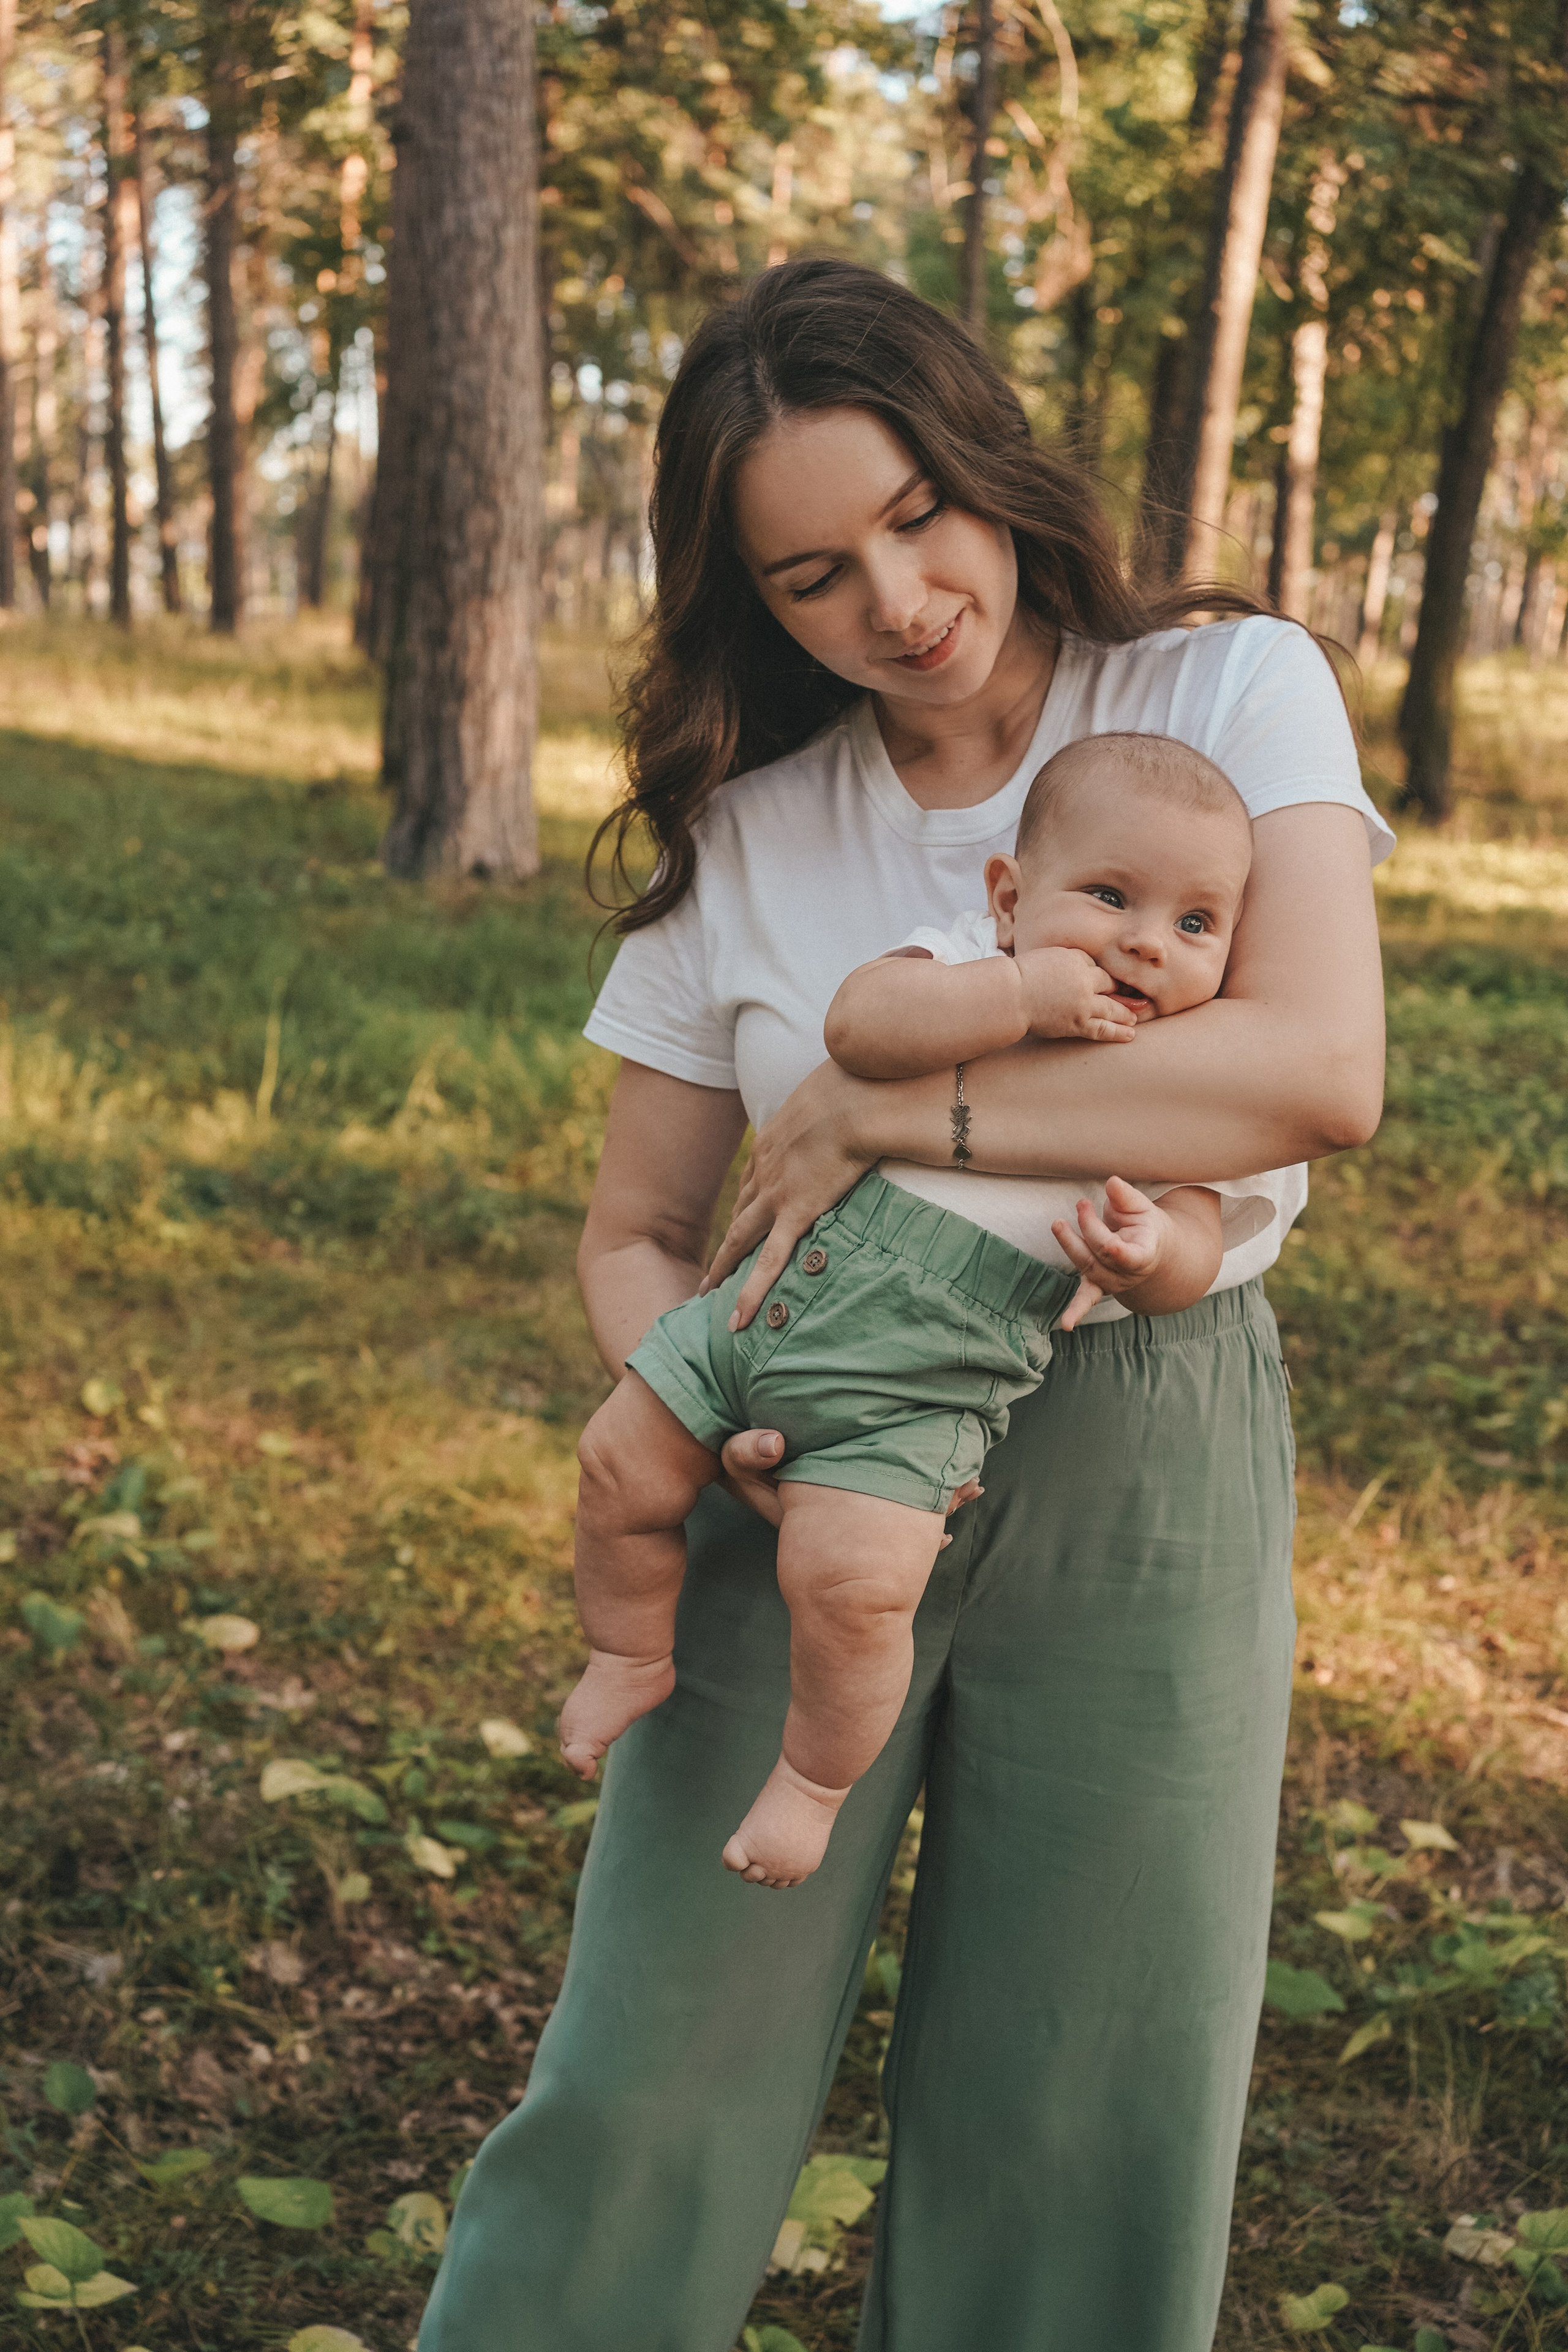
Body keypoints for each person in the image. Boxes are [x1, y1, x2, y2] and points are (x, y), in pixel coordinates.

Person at [418, 255, 1390, 2352]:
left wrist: (893, 1109)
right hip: (801, 1443)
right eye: (813, 576)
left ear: (983, 460)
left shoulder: (1225, 691)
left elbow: (1319, 1070)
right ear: (756, 607)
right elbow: (635, 1227)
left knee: (1087, 2084)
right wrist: (712, 1418)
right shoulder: (751, 833)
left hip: (1147, 1440)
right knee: (652, 2061)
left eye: (918, 515)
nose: (899, 598)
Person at [559, 732, 1276, 1894]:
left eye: (1196, 925)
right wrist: (1018, 995)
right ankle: (627, 1651)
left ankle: (812, 1787)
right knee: (616, 1466)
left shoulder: (1185, 1073)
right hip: (757, 1312)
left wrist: (1154, 1257)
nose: (1147, 942)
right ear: (1011, 899)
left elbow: (1202, 1229)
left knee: (853, 1590)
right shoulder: (963, 963)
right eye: (1109, 898)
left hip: (916, 1395)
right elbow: (860, 1025)